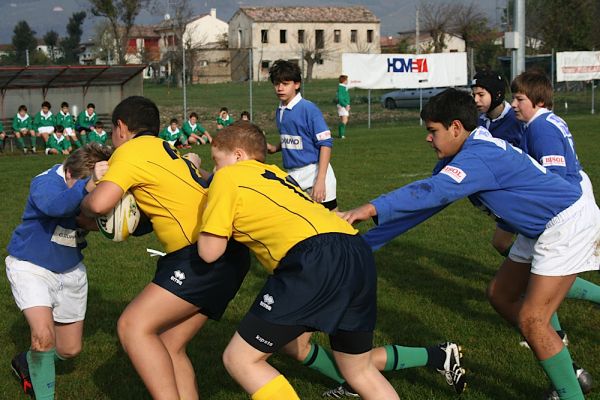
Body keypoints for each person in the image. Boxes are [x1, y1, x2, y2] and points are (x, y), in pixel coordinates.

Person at [342, 88, 600, 400]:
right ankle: (568, 371)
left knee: (534, 320)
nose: (428, 138)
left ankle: (571, 393)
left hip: (566, 223)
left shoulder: (478, 155)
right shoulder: (464, 153)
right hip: (540, 227)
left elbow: (429, 192)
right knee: (500, 296)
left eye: (432, 131)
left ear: (455, 127)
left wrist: (368, 208)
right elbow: (426, 205)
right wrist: (364, 245)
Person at [198, 121, 399, 400]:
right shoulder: (278, 175)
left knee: (240, 359)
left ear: (238, 155)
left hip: (312, 257)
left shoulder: (227, 178)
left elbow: (210, 251)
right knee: (360, 370)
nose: (216, 170)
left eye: (217, 161)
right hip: (354, 248)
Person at [80, 96, 250, 400]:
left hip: (198, 255)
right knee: (169, 345)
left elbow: (99, 204)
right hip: (230, 251)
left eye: (111, 133)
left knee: (132, 325)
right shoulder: (166, 149)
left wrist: (88, 192)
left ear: (121, 127)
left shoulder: (129, 151)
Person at [6, 143, 111, 399]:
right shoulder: (45, 182)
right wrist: (86, 188)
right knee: (43, 336)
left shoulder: (91, 186)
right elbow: (56, 206)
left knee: (69, 350)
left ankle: (26, 360)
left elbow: (101, 222)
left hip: (70, 270)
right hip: (31, 266)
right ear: (68, 175)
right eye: (80, 186)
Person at [266, 59, 338, 210]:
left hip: (315, 172)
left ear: (297, 84)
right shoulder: (280, 109)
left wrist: (320, 181)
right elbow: (295, 137)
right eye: (277, 84)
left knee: (333, 220)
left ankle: (354, 234)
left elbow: (325, 144)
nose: (280, 88)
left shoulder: (308, 109)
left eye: (285, 84)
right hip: (293, 175)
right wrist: (275, 148)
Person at [336, 74, 350, 139]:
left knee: (343, 120)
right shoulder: (341, 88)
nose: (347, 81)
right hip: (342, 106)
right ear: (344, 80)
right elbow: (340, 98)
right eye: (346, 80)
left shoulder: (343, 87)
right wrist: (345, 105)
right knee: (345, 120)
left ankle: (341, 134)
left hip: (343, 105)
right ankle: (342, 134)